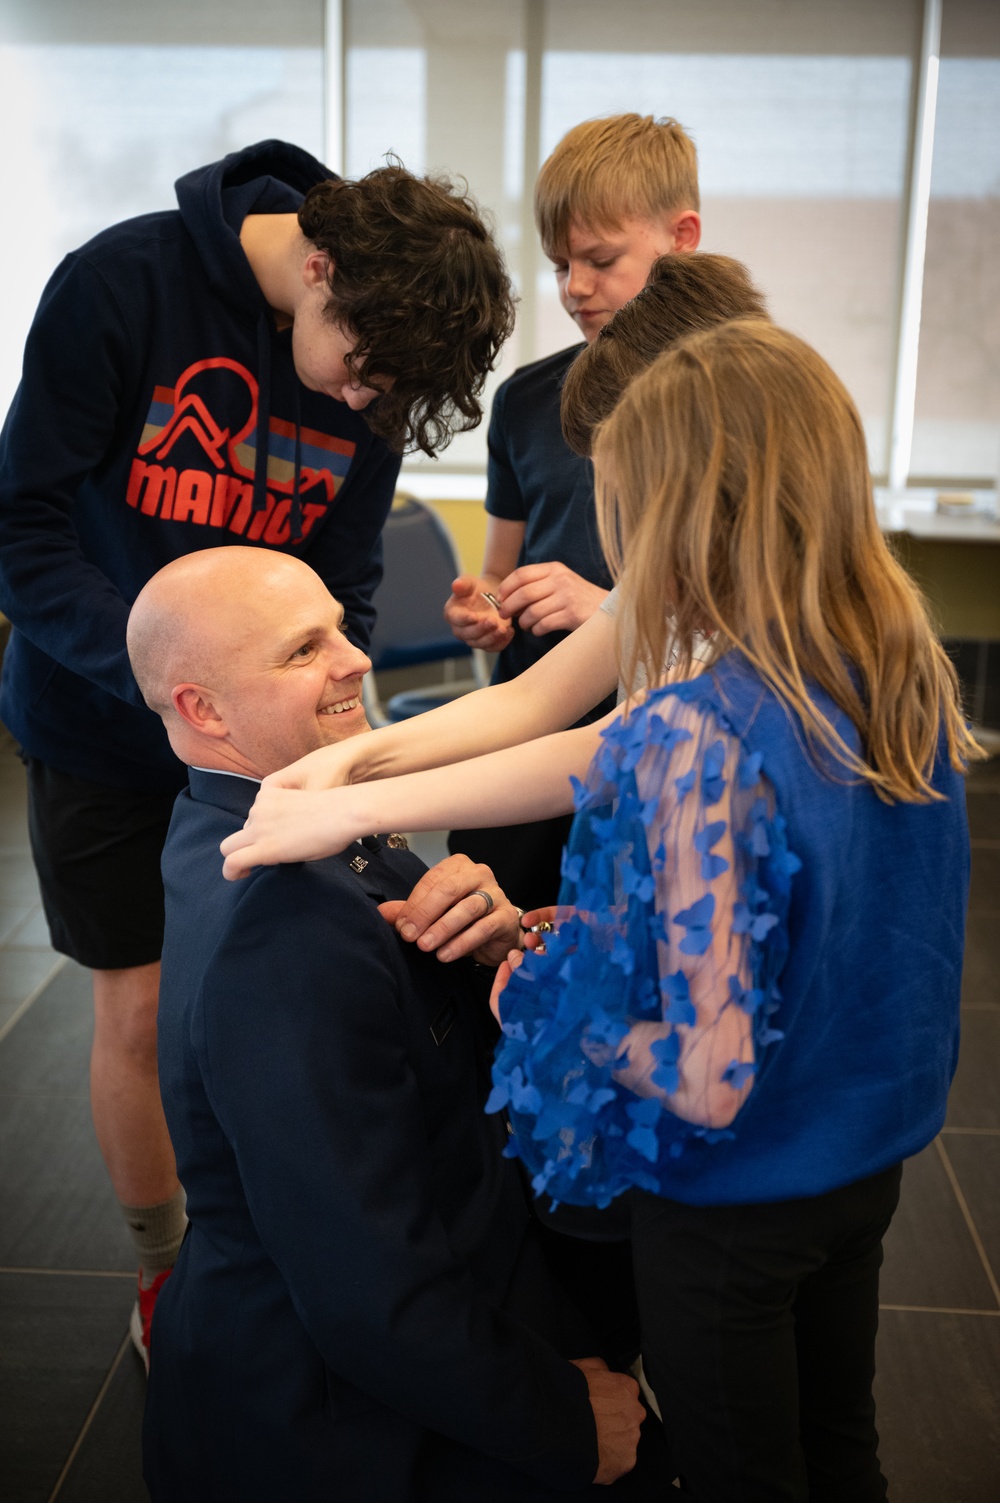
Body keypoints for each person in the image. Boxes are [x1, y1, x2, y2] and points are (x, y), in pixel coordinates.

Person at [223, 321, 979, 1500]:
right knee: (839, 1440)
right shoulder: (889, 667)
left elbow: (706, 1073)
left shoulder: (701, 730)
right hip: (862, 1162)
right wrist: (355, 785)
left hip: (733, 1200)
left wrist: (556, 1002)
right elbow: (812, 915)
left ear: (672, 511)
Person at [0, 137, 515, 1363]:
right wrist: (160, 684)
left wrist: (333, 722)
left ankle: (297, 1244)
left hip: (265, 745)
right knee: (140, 1010)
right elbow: (19, 528)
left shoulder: (370, 365)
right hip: (98, 720)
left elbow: (340, 576)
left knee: (292, 993)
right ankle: (167, 1276)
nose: (359, 406)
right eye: (360, 379)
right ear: (319, 267)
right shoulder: (119, 285)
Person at [125, 545, 651, 1502]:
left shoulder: (246, 814)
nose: (358, 657)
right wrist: (562, 1420)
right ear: (202, 710)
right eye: (303, 650)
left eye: (340, 624)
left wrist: (488, 943)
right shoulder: (282, 922)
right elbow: (365, 1285)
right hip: (339, 1426)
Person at [218, 254, 768, 890]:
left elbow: (605, 753)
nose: (625, 534)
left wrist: (350, 802)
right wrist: (351, 760)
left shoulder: (763, 621)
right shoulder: (675, 568)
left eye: (629, 496)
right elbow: (531, 700)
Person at [444, 114, 701, 907]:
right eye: (560, 266)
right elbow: (498, 568)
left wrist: (609, 612)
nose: (575, 289)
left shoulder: (738, 405)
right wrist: (489, 601)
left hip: (662, 728)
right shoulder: (525, 401)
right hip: (535, 716)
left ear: (682, 238)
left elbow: (743, 626)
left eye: (600, 260)